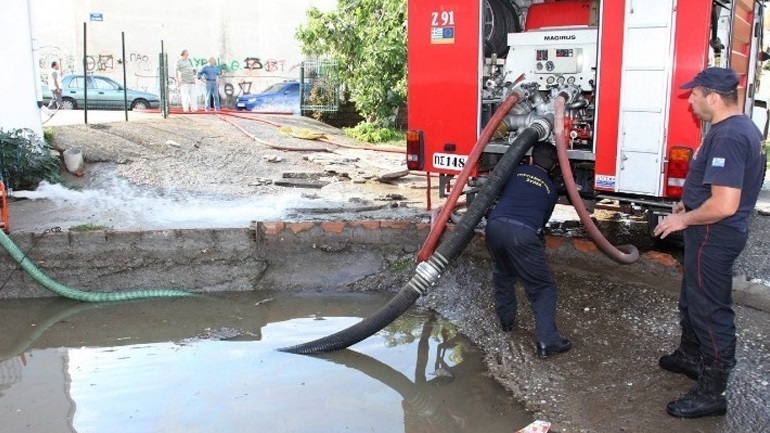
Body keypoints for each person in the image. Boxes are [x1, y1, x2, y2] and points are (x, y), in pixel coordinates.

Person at [654, 67, 767, 419]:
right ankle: (690, 356)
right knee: (692, 299)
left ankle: (713, 391)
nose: (691, 101)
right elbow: (715, 189)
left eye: (695, 95)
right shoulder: (732, 128)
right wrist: (689, 201)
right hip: (708, 232)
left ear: (714, 97)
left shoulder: (730, 136)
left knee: (710, 310)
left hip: (714, 236)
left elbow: (725, 204)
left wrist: (683, 219)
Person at [484, 141, 571, 357]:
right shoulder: (550, 190)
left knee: (503, 274)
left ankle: (506, 323)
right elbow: (541, 222)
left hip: (494, 227)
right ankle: (547, 342)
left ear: (531, 159)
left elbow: (498, 193)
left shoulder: (516, 171)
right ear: (553, 166)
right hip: (522, 234)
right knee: (543, 288)